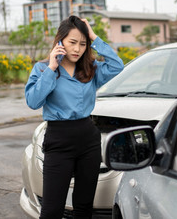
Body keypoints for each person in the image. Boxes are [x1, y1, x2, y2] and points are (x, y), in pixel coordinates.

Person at [25, 15, 124, 219]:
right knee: (52, 208)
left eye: (82, 44)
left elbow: (117, 67)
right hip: (58, 140)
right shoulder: (43, 68)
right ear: (60, 41)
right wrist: (52, 68)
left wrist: (95, 37)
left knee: (84, 206)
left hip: (88, 140)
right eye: (72, 42)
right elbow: (33, 101)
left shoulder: (90, 69)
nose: (77, 49)